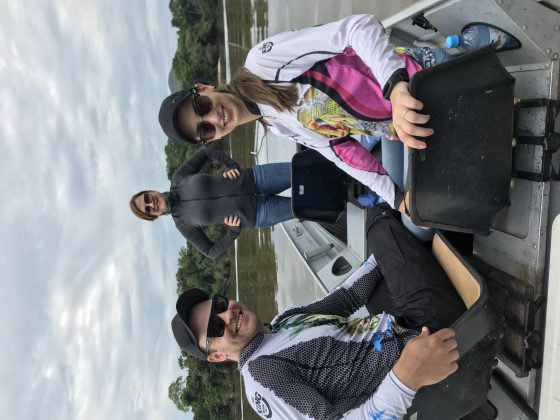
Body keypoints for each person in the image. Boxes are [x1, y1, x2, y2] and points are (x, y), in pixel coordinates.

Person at [158, 14, 460, 241]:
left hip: (422, 80)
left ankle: (470, 43)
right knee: (416, 223)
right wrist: (394, 197)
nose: (214, 119)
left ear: (204, 88)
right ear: (212, 138)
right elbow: (340, 152)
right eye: (205, 130)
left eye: (202, 107)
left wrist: (395, 87)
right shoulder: (277, 125)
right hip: (403, 129)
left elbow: (358, 28)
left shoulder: (262, 63)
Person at [171, 205, 466, 419]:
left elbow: (347, 298)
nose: (226, 315)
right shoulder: (262, 376)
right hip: (423, 342)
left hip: (396, 328)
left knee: (380, 227)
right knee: (379, 221)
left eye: (220, 305)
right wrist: (405, 379)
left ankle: (417, 237)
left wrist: (383, 254)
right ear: (216, 356)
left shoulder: (282, 322)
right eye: (215, 328)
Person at [129, 146, 294, 259]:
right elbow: (210, 252)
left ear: (151, 191)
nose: (151, 204)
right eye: (148, 210)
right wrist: (233, 233)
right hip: (258, 214)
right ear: (155, 216)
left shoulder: (179, 178)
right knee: (304, 205)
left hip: (257, 178)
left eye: (147, 199)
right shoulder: (182, 224)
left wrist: (231, 165)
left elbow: (205, 152)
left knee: (301, 170)